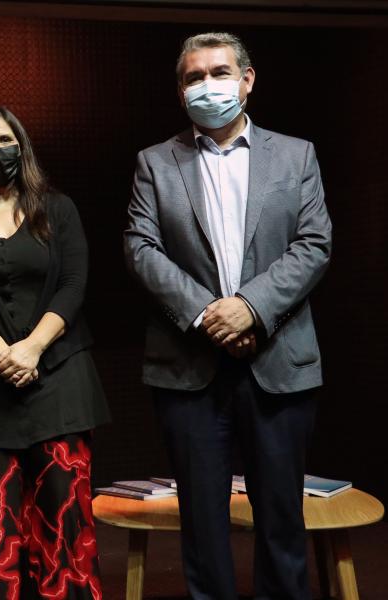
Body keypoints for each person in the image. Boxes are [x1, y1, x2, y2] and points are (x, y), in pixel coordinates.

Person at [123, 32, 332, 600]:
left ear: (247, 79)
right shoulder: (154, 163)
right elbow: (140, 249)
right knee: (202, 527)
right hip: (190, 368)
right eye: (194, 77)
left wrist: (251, 309)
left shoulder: (296, 155)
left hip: (278, 362)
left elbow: (314, 244)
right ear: (180, 90)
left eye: (219, 72)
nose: (207, 85)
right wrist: (209, 316)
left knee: (282, 521)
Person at [0, 106, 111, 600]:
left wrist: (33, 348)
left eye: (3, 140)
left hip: (59, 380)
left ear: (21, 144)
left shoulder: (57, 209)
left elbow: (74, 284)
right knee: (2, 530)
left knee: (65, 524)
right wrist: (1, 351)